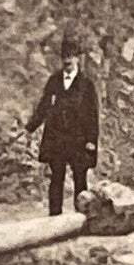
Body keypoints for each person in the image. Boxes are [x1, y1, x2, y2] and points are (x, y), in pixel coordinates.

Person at [25, 31, 100, 216]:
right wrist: (29, 127)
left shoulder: (86, 85)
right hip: (57, 138)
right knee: (56, 178)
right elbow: (43, 107)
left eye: (71, 56)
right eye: (65, 56)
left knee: (80, 179)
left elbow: (93, 115)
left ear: (78, 59)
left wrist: (91, 140)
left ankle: (82, 218)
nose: (68, 60)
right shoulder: (54, 81)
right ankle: (54, 219)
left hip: (78, 139)